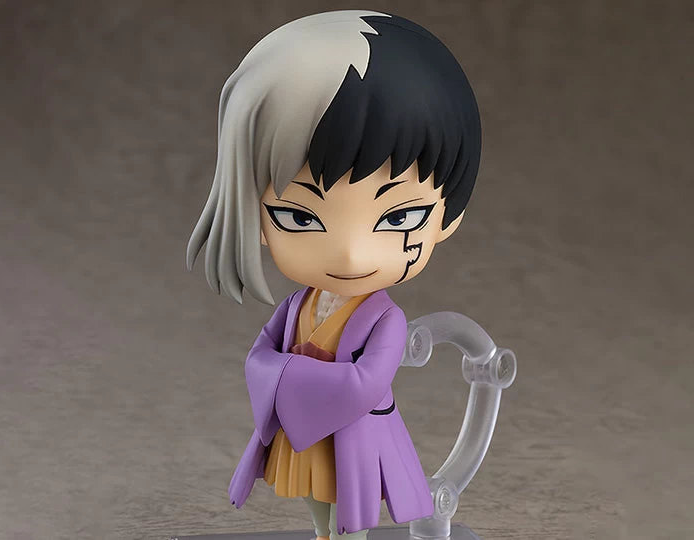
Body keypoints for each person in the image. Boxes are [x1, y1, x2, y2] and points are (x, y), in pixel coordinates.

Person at [186, 10, 482, 540]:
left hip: (355, 434)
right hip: (306, 434)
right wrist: (289, 377)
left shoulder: (384, 320)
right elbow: (258, 357)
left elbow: (366, 383)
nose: (349, 254)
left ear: (447, 218)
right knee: (316, 506)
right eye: (299, 218)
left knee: (350, 509)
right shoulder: (296, 307)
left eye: (399, 217)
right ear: (255, 218)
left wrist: (288, 378)